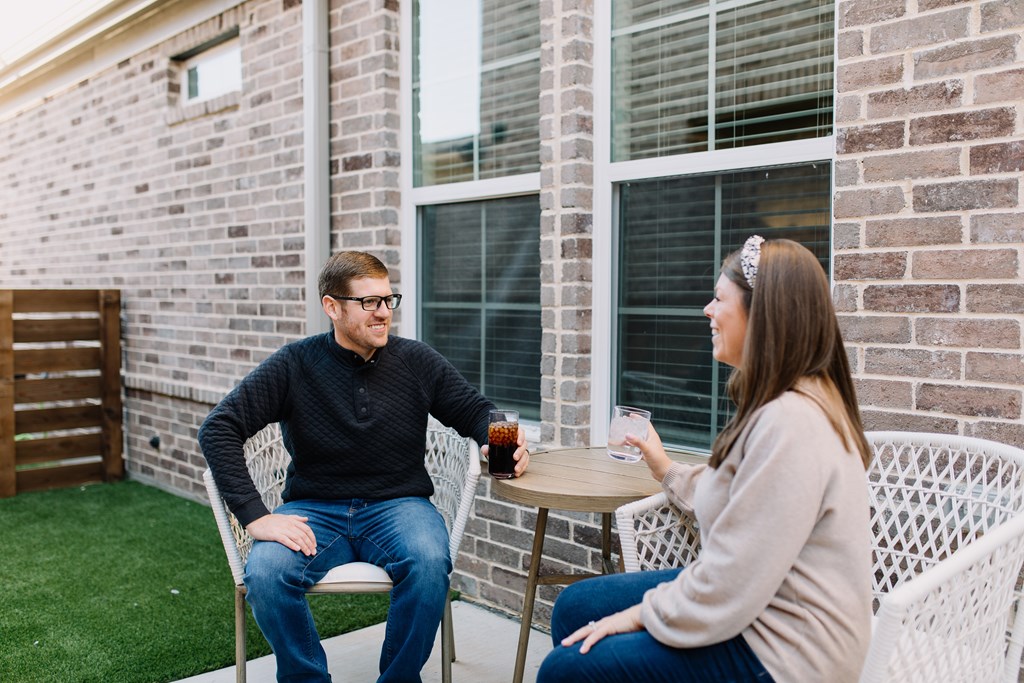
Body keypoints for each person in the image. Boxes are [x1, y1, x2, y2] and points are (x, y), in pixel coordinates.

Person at [537, 236, 873, 683]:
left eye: (719, 299)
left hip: (786, 653)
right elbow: (744, 499)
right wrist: (665, 467)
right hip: (759, 609)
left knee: (566, 671)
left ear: (764, 317)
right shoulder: (785, 404)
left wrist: (640, 616)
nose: (706, 311)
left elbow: (732, 581)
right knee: (576, 608)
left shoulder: (792, 422)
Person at [198, 251, 529, 683]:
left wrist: (500, 441)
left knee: (430, 562)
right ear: (331, 307)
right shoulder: (294, 364)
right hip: (314, 508)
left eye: (389, 300)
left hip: (399, 505)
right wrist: (256, 517)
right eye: (369, 303)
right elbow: (218, 428)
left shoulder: (417, 361)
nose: (383, 313)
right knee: (265, 573)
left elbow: (476, 411)